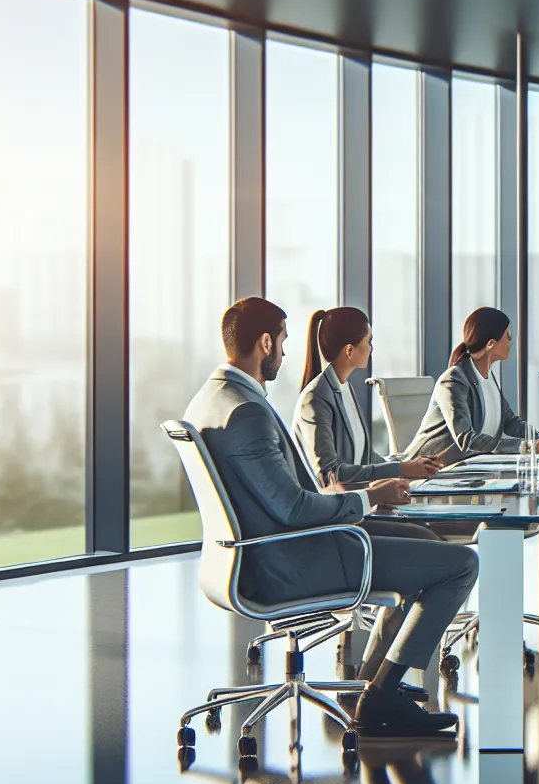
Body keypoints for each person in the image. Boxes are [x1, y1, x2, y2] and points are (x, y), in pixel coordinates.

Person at [185, 297, 477, 737]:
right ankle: (378, 698)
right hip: (291, 560)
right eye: (281, 342)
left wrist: (372, 495)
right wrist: (366, 499)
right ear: (265, 342)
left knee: (426, 540)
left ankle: (376, 685)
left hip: (272, 548)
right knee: (462, 565)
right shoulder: (246, 413)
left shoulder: (211, 400)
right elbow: (296, 507)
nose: (284, 353)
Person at [293, 306, 447, 487]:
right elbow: (331, 475)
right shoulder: (315, 399)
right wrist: (402, 469)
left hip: (360, 499)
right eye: (369, 341)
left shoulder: (344, 388)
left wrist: (408, 465)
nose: (371, 348)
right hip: (334, 509)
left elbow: (365, 458)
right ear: (349, 351)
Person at [405, 307, 539, 462]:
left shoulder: (488, 378)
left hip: (467, 469)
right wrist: (526, 447)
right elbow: (466, 440)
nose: (511, 341)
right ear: (490, 344)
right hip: (428, 471)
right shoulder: (453, 380)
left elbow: (510, 423)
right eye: (508, 335)